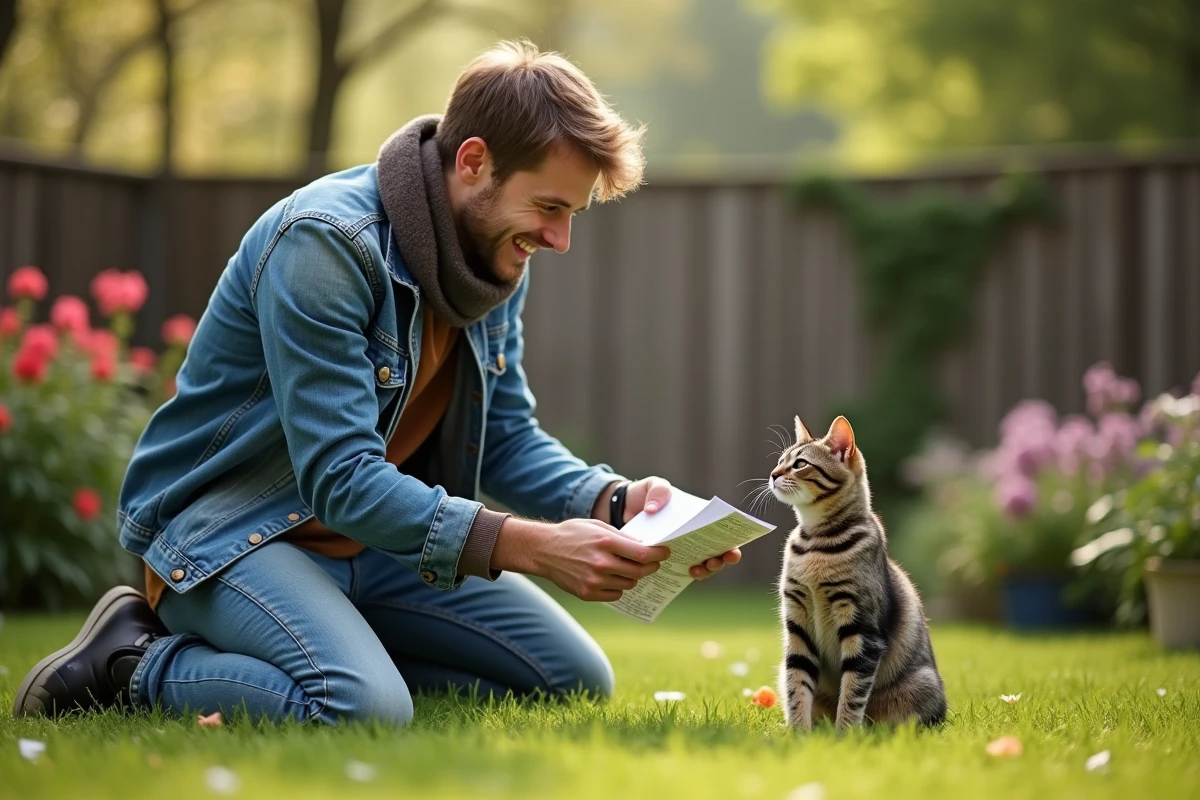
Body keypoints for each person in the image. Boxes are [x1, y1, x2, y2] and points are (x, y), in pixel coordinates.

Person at [12, 39, 741, 726]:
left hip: (373, 541)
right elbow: (337, 474)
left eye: (571, 214)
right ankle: (132, 661)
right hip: (231, 536)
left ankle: (339, 652)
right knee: (361, 710)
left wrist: (618, 504)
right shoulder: (326, 245)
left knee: (573, 679)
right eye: (549, 208)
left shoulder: (492, 259)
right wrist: (530, 545)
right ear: (474, 161)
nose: (559, 239)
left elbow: (509, 439)